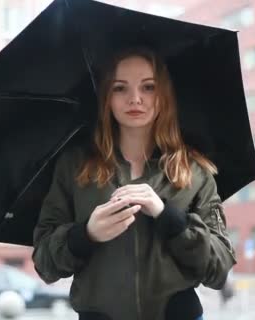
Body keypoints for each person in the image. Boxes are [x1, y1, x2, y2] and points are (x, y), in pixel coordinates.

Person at [31, 47, 236, 320]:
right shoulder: (75, 166)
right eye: (120, 88)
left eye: (148, 87)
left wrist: (170, 218)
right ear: (107, 97)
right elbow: (45, 263)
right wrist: (85, 234)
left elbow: (219, 268)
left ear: (163, 95)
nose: (135, 99)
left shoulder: (194, 170)